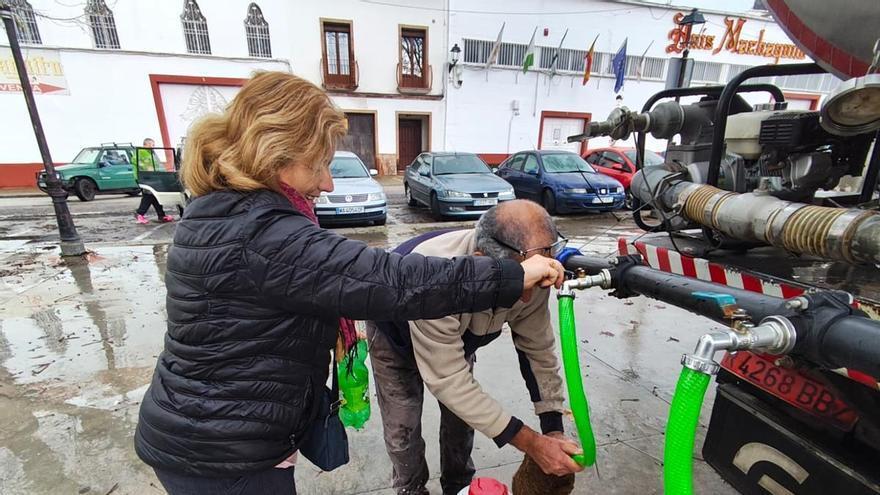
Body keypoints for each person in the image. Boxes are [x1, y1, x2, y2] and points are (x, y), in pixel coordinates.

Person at [133, 71, 566, 495]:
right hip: (222, 453)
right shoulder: (261, 233)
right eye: (321, 163)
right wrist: (514, 275)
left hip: (215, 435)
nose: (328, 183)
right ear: (279, 152)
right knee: (403, 427)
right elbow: (391, 281)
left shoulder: (228, 213)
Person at [368, 201, 583, 495]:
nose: (527, 299)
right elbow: (449, 380)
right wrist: (531, 442)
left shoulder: (533, 270)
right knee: (402, 427)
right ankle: (411, 488)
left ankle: (459, 485)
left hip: (459, 333)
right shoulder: (432, 277)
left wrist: (552, 427)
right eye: (523, 286)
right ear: (482, 263)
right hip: (396, 334)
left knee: (461, 421)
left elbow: (539, 351)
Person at [134, 138, 173, 224]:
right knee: (148, 195)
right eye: (151, 144)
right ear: (146, 144)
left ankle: (161, 215)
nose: (153, 146)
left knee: (155, 196)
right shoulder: (142, 152)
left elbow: (157, 165)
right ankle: (140, 213)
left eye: (153, 145)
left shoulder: (150, 153)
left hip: (151, 176)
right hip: (146, 177)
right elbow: (145, 166)